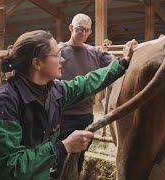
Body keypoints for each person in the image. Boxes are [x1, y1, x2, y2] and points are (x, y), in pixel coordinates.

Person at [0, 30, 138, 180]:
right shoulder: (3, 104)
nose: (62, 60)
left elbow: (86, 84)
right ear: (37, 63)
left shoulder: (52, 91)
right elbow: (10, 167)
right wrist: (63, 146)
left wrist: (121, 63)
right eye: (56, 55)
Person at [54, 13, 115, 177]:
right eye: (80, 29)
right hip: (63, 116)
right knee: (59, 158)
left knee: (80, 156)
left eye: (87, 30)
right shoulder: (59, 51)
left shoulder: (94, 52)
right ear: (71, 28)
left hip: (86, 115)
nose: (83, 33)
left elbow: (115, 64)